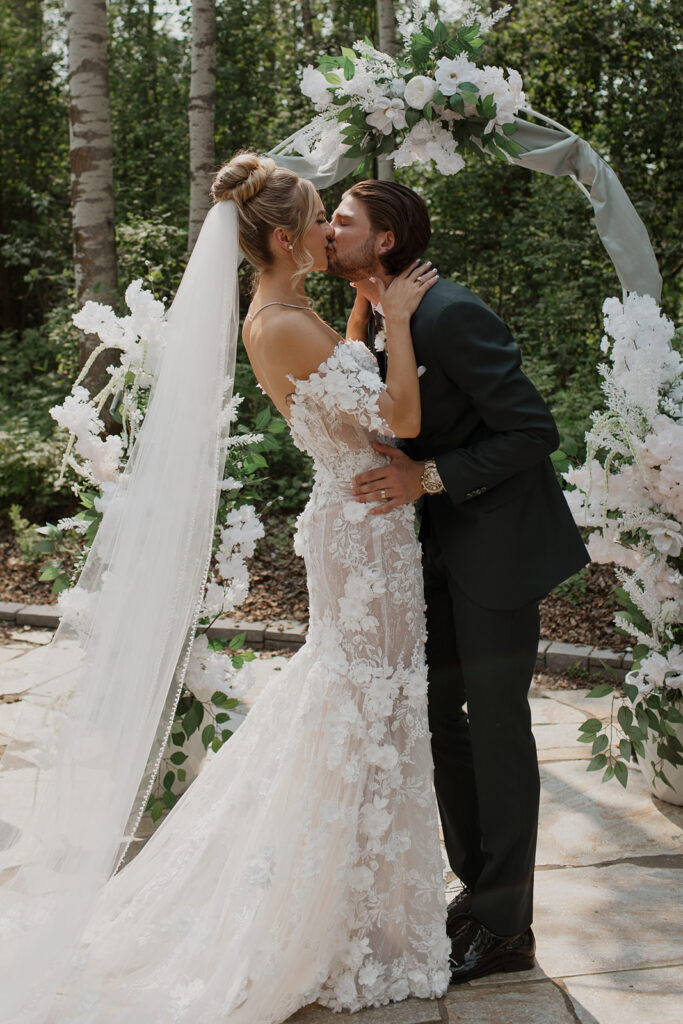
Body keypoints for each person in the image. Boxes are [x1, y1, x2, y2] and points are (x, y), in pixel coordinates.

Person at [0, 154, 453, 1023]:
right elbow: (398, 419)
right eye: (322, 218)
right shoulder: (279, 322)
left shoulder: (291, 310)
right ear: (284, 237)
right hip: (360, 538)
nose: (332, 230)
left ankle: (360, 912)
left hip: (368, 528)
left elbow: (344, 393)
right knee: (362, 704)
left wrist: (363, 311)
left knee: (369, 706)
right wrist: (395, 317)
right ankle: (317, 918)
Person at [326, 179, 590, 983]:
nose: (327, 232)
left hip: (500, 548)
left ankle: (508, 929)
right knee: (436, 715)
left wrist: (429, 478)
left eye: (342, 222)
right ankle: (479, 893)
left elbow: (531, 430)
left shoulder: (450, 313)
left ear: (385, 239)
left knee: (497, 725)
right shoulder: (378, 314)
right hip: (431, 551)